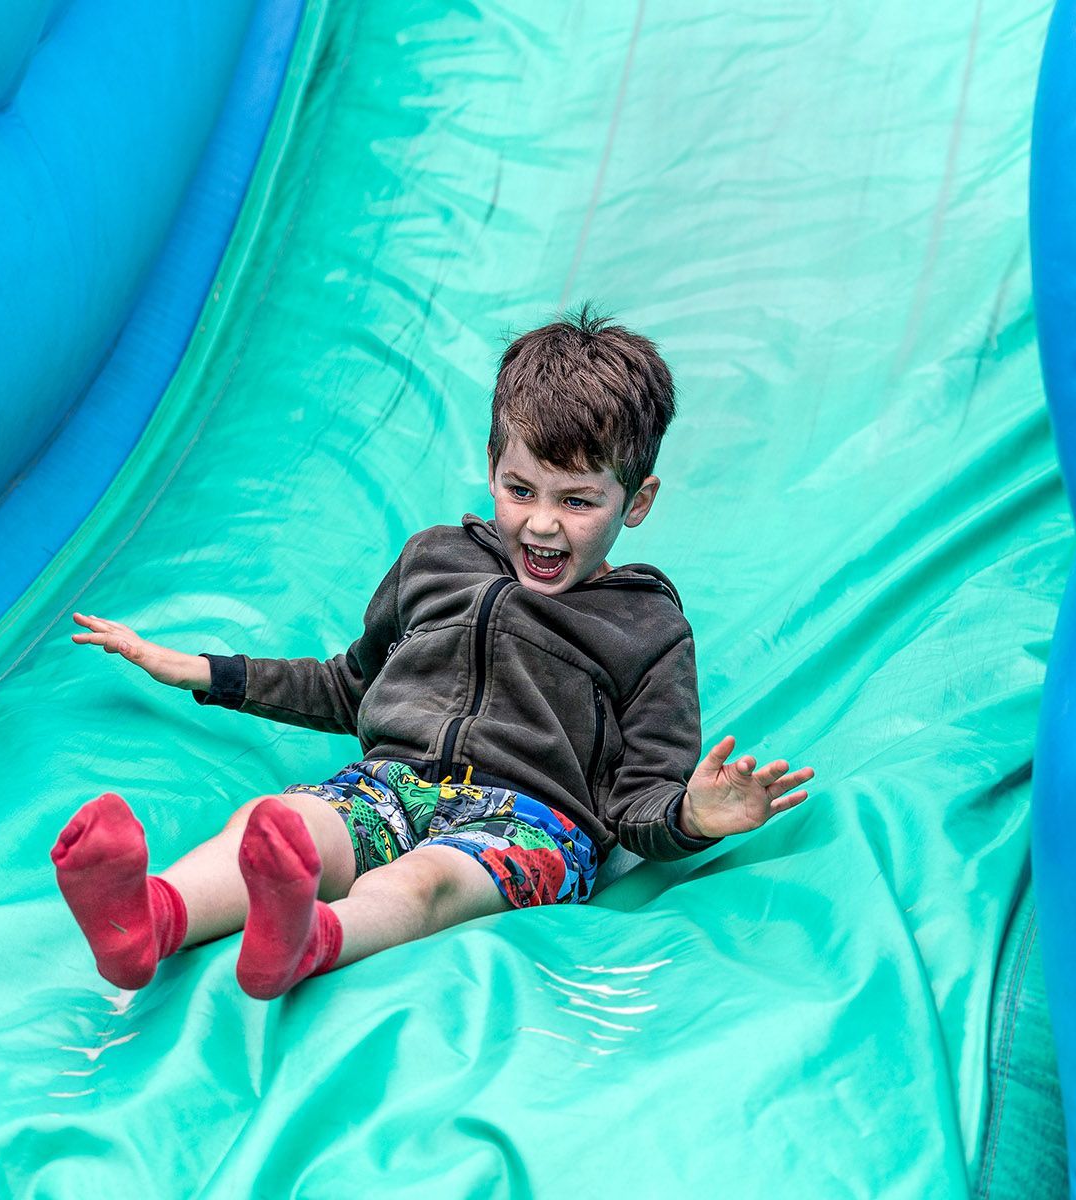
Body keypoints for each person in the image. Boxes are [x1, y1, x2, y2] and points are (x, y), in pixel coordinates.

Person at [51, 306, 814, 999]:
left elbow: (636, 797)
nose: (542, 525)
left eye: (577, 502)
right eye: (521, 490)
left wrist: (693, 815)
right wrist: (204, 672)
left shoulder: (645, 629)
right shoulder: (436, 561)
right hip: (391, 782)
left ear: (636, 502)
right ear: (491, 465)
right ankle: (151, 919)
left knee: (424, 884)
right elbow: (353, 686)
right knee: (277, 820)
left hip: (530, 822)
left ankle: (314, 939)